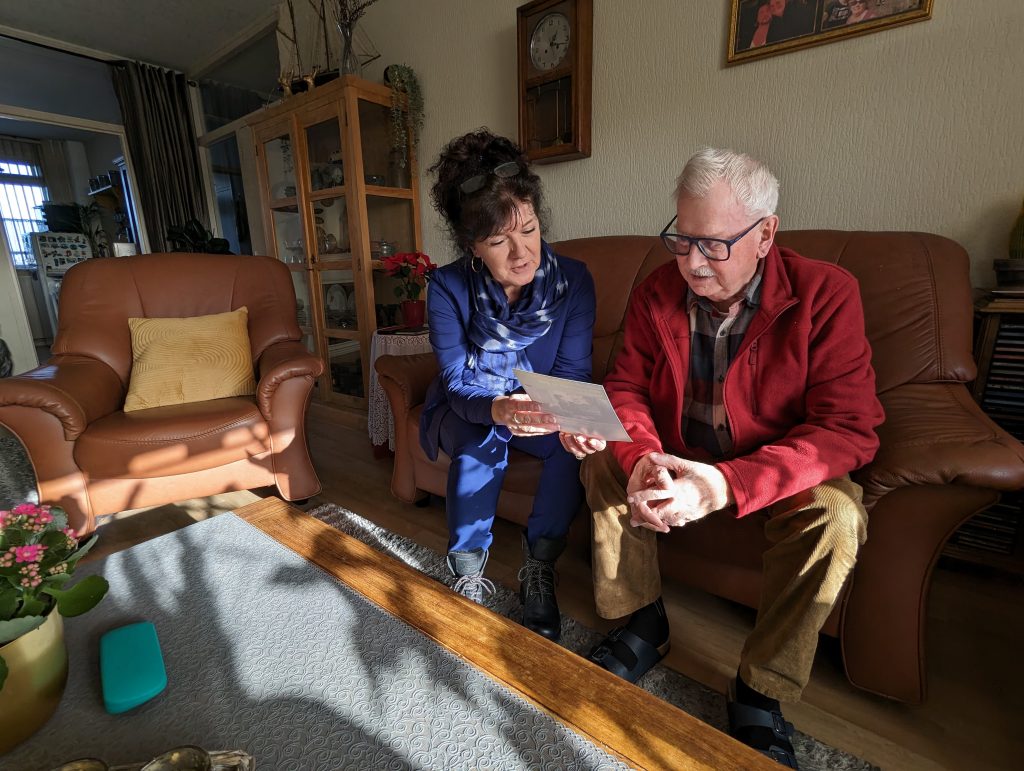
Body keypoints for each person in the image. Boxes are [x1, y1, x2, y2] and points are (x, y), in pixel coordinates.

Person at [581, 148, 883, 768]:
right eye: (680, 239)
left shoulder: (827, 294)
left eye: (713, 245)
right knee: (601, 463)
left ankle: (761, 688)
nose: (691, 263)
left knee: (838, 516)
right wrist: (640, 456)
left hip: (773, 469)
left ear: (766, 234)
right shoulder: (655, 292)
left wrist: (724, 484)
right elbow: (626, 389)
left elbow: (848, 429)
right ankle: (641, 621)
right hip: (676, 452)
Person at [421, 129, 604, 641]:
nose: (522, 252)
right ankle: (468, 570)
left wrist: (573, 422)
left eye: (528, 229)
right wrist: (499, 407)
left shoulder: (575, 282)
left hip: (544, 402)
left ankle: (538, 566)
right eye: (500, 241)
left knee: (570, 450)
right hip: (474, 404)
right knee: (481, 440)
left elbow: (571, 375)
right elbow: (457, 380)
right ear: (472, 246)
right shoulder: (447, 286)